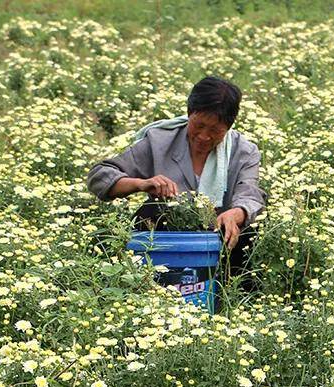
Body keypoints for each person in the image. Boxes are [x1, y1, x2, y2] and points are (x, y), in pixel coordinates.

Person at [86, 75, 267, 275]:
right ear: (189, 114)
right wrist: (141, 183)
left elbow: (250, 194)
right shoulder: (159, 141)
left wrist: (237, 213)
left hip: (220, 244)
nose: (204, 136)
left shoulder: (243, 151)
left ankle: (227, 293)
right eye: (198, 125)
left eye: (216, 130)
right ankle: (148, 281)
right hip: (168, 241)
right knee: (149, 212)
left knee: (251, 229)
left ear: (229, 127)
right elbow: (99, 176)